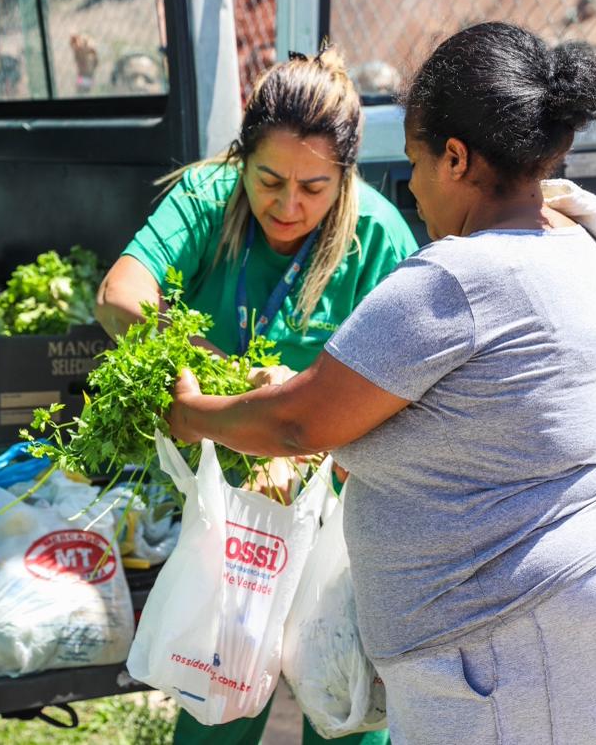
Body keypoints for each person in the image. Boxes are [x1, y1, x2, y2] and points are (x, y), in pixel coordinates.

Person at [166, 23, 596, 745]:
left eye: (414, 161)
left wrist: (193, 415)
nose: (408, 188)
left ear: (457, 157)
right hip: (575, 607)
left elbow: (299, 424)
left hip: (512, 631)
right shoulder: (581, 248)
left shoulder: (459, 279)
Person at [97, 48, 419, 745]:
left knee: (343, 700)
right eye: (269, 180)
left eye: (313, 187)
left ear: (346, 177)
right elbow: (120, 297)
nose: (288, 205)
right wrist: (235, 386)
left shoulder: (378, 239)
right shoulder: (207, 199)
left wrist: (304, 425)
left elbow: (402, 392)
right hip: (230, 504)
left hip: (337, 504)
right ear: (240, 159)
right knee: (217, 694)